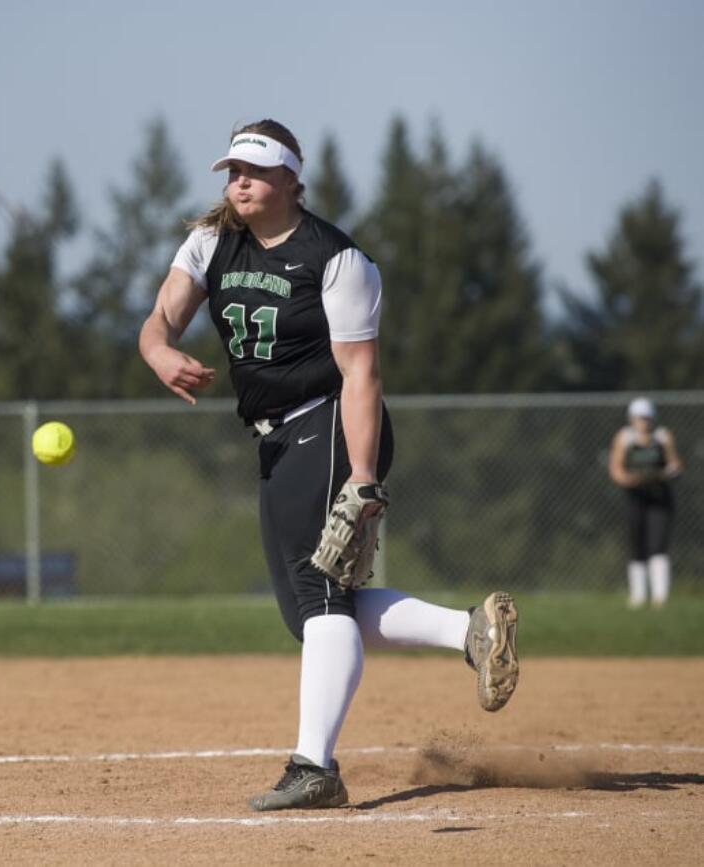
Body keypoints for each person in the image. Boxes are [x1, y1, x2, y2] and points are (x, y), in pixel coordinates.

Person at [138, 119, 520, 811]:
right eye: (232, 171)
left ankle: (314, 765)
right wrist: (160, 352)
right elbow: (158, 321)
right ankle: (468, 630)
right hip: (275, 440)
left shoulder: (335, 259)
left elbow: (362, 375)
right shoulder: (211, 241)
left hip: (331, 424)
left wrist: (363, 476)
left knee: (321, 601)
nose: (239, 182)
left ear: (291, 179)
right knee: (312, 613)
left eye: (254, 170)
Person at [608, 396, 683, 609]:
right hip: (635, 497)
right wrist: (635, 479)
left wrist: (665, 474)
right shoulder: (625, 438)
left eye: (647, 417)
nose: (644, 422)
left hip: (659, 498)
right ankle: (638, 596)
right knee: (636, 545)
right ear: (632, 418)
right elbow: (616, 470)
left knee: (657, 544)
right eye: (640, 417)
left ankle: (660, 596)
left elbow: (675, 464)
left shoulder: (662, 437)